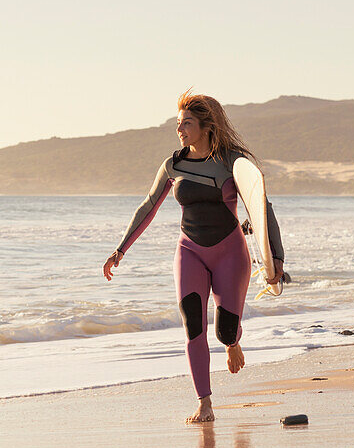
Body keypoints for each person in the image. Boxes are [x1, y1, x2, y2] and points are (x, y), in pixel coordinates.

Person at [103, 92, 284, 423]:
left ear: (206, 125)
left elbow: (261, 207)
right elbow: (148, 205)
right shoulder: (174, 164)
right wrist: (120, 248)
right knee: (193, 326)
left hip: (230, 252)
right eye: (177, 124)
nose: (180, 129)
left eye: (186, 123)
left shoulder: (233, 162)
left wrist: (276, 259)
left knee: (225, 331)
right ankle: (205, 402)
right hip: (189, 251)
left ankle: (232, 343)